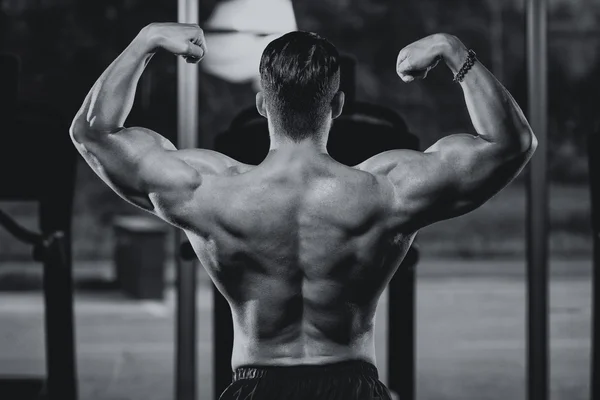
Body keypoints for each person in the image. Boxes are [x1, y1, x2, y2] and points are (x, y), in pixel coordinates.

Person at [70, 23, 537, 400]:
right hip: (353, 385)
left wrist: (146, 40)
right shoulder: (387, 191)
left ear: (260, 105)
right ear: (337, 105)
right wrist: (452, 50)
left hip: (255, 387)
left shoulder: (205, 190)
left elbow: (93, 134)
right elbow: (511, 143)